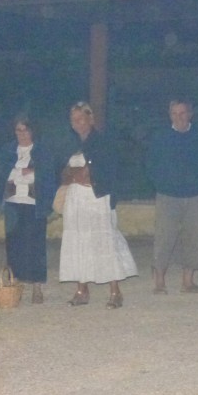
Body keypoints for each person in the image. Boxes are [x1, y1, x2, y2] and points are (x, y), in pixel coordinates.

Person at [59, 101, 137, 308]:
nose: (77, 123)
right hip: (76, 199)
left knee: (103, 242)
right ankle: (81, 289)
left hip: (97, 198)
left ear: (90, 119)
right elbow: (63, 173)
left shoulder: (103, 142)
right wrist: (75, 174)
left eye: (81, 119)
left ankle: (115, 292)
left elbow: (102, 173)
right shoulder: (70, 142)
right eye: (73, 120)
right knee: (78, 241)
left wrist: (81, 174)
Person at [0, 114, 56, 304]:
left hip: (35, 204)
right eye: (19, 130)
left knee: (36, 246)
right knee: (14, 244)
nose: (22, 134)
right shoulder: (7, 151)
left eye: (25, 129)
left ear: (32, 131)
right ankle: (14, 282)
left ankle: (37, 286)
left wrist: (33, 172)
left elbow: (49, 176)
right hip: (12, 203)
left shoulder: (42, 151)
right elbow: (0, 175)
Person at [145, 98, 198, 294]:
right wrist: (160, 183)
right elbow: (150, 164)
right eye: (174, 113)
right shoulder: (160, 137)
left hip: (195, 196)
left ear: (190, 114)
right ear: (169, 115)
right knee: (164, 238)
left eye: (182, 113)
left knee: (195, 236)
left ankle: (188, 282)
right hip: (168, 196)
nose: (178, 117)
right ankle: (159, 282)